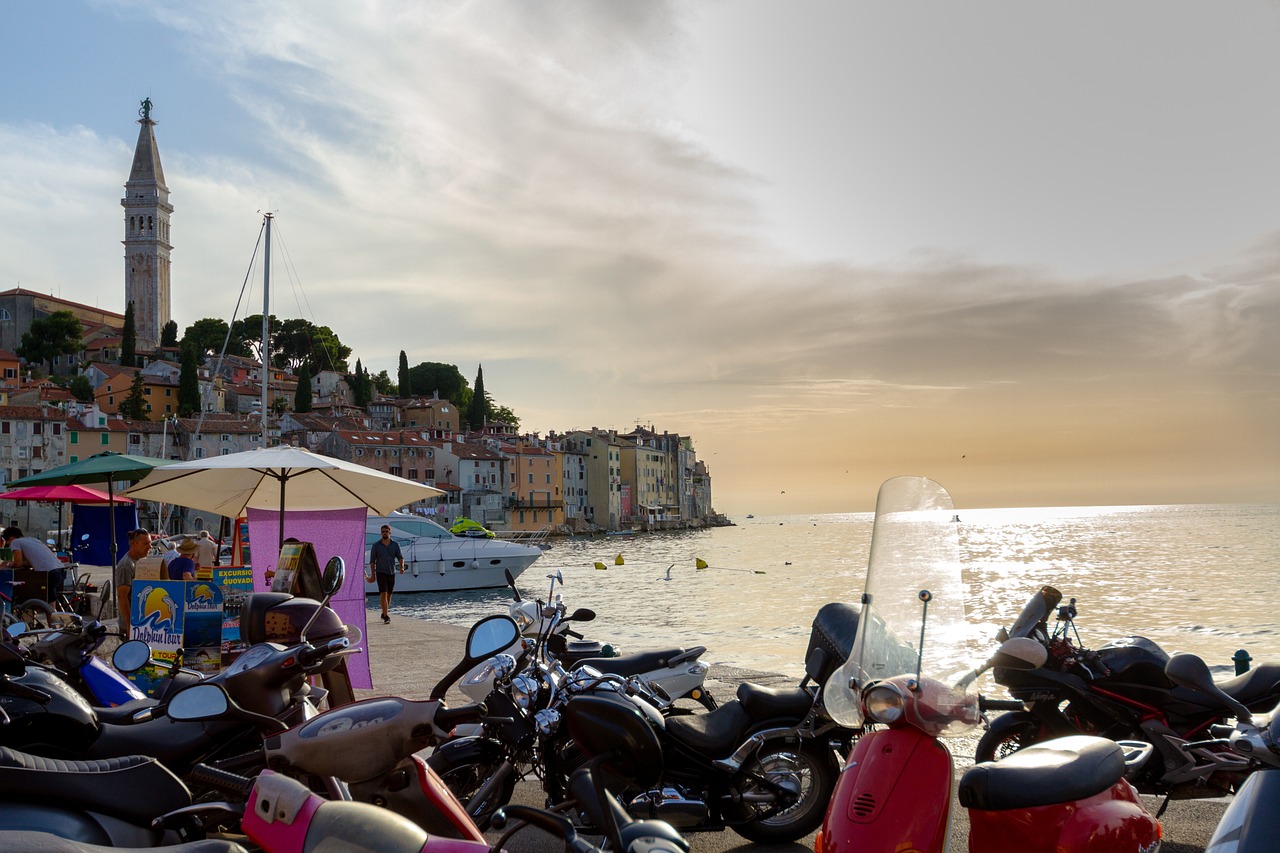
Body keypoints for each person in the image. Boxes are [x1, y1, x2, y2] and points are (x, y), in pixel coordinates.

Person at [2, 526, 66, 598]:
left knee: (31, 592)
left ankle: (49, 608)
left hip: (49, 573)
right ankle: (51, 608)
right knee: (49, 596)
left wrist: (7, 564)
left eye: (8, 544)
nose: (10, 547)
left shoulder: (15, 542)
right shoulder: (33, 540)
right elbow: (30, 562)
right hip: (61, 570)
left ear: (10, 539)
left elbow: (18, 563)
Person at [114, 528, 152, 634]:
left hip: (142, 622)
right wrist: (129, 624)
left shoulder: (140, 561)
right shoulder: (126, 565)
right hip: (131, 626)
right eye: (145, 544)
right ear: (133, 544)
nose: (150, 547)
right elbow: (122, 597)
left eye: (150, 543)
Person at [367, 524, 404, 624]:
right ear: (381, 533)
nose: (384, 533)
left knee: (389, 595)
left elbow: (400, 557)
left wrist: (402, 567)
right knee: (383, 593)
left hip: (391, 572)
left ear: (390, 533)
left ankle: (384, 612)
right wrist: (372, 575)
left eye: (386, 531)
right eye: (383, 531)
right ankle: (386, 616)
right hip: (380, 572)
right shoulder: (376, 546)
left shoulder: (395, 545)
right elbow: (372, 561)